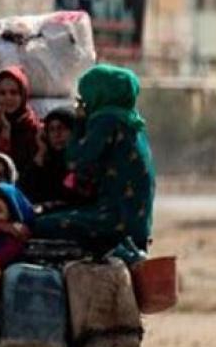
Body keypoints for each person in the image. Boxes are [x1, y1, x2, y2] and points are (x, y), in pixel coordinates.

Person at [34, 64, 156, 257]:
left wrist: (79, 122)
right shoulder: (133, 122)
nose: (83, 102)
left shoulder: (105, 120)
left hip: (114, 219)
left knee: (41, 224)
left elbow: (76, 160)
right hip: (138, 224)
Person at [20, 107, 80, 210]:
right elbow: (24, 190)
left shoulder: (81, 161)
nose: (57, 135)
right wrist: (41, 151)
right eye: (51, 130)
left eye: (62, 128)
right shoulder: (45, 162)